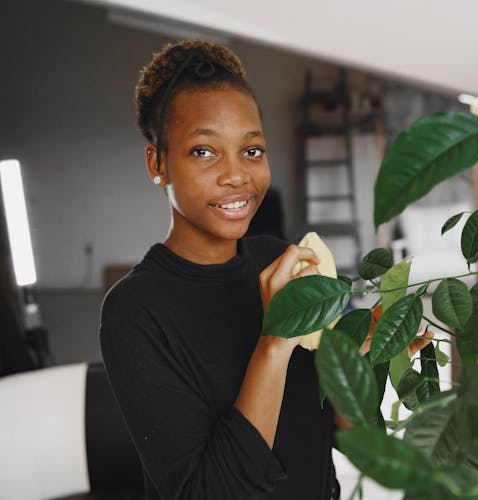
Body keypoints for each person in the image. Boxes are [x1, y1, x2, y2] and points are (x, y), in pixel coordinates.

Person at [100, 40, 336, 499]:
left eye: (252, 151)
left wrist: (359, 359)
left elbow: (340, 434)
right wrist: (274, 343)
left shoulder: (278, 259)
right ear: (158, 163)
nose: (237, 175)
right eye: (204, 152)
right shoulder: (134, 312)